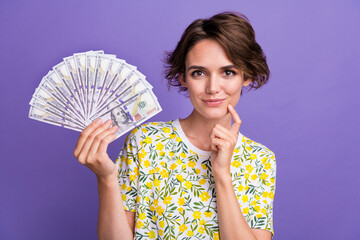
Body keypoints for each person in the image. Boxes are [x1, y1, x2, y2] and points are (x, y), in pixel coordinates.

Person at [74, 12, 276, 240]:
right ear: (183, 78)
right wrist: (106, 178)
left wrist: (221, 173)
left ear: (246, 76)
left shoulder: (260, 160)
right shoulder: (145, 142)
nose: (213, 87)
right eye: (198, 73)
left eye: (228, 72)